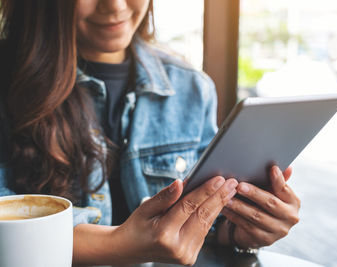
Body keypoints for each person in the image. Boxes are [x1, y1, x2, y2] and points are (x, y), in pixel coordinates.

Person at [0, 0, 301, 265]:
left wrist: (240, 230)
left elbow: (209, 223)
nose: (115, 6)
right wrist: (117, 245)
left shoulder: (191, 89)